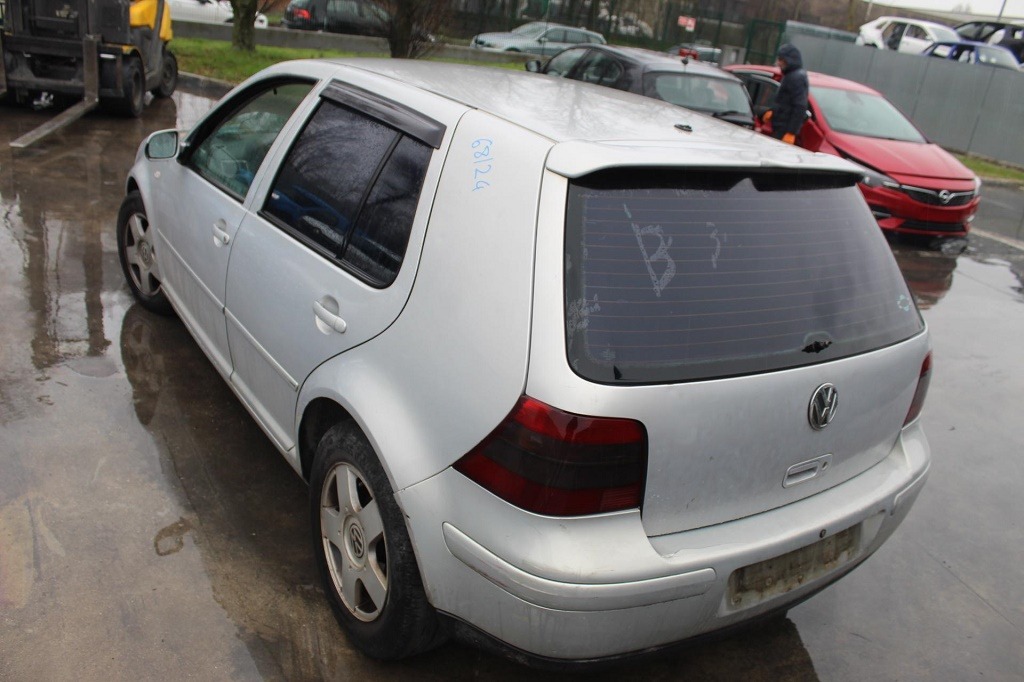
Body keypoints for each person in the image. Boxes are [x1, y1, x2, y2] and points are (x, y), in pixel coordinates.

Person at [765, 44, 808, 145]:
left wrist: (791, 132)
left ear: (789, 60)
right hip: (781, 127)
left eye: (781, 60)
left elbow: (800, 106)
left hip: (784, 130)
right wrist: (773, 112)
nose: (778, 63)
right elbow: (784, 101)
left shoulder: (796, 78)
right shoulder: (791, 76)